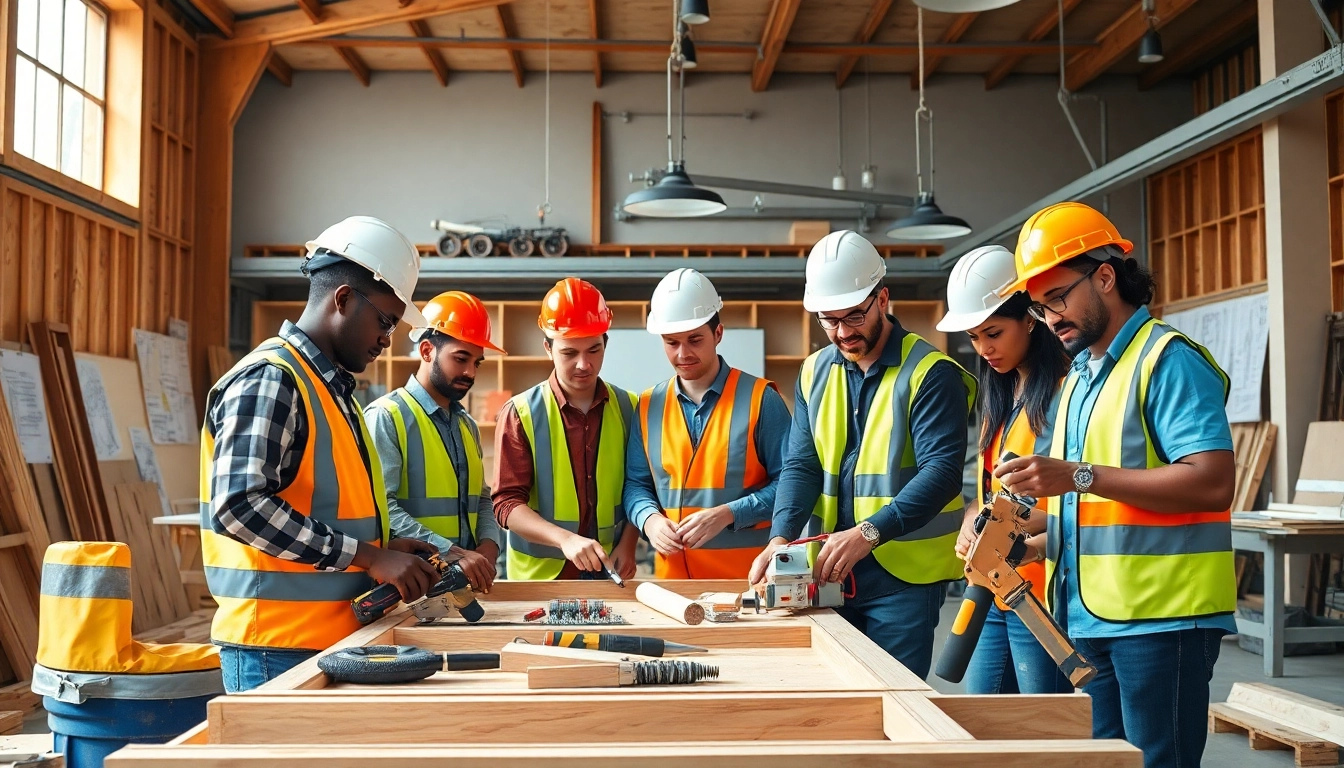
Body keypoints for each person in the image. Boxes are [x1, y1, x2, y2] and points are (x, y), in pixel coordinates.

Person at [993, 202, 1236, 768]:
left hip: (1163, 619)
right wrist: (1022, 538)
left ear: (1105, 276)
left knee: (1159, 761)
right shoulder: (1080, 378)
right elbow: (1102, 510)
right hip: (1087, 615)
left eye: (1058, 297)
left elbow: (1211, 482)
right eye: (1038, 305)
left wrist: (1075, 475)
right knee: (1105, 762)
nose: (1049, 317)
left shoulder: (1167, 361)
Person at [200, 216, 440, 693]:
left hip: (325, 642)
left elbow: (318, 502)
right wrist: (368, 556)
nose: (388, 338)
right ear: (344, 299)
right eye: (385, 320)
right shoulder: (272, 379)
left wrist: (382, 549)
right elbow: (239, 507)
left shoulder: (334, 392)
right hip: (274, 648)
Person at [750, 230, 976, 679]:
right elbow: (802, 465)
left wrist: (867, 533)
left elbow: (943, 473)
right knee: (835, 696)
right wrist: (779, 539)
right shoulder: (814, 371)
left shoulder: (931, 373)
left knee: (893, 698)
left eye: (854, 316)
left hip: (904, 579)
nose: (842, 333)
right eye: (828, 320)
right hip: (829, 568)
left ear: (883, 299)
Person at [938, 245, 1072, 695]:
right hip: (991, 587)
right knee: (981, 720)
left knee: (1041, 728)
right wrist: (970, 523)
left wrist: (1009, 530)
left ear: (1031, 319)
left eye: (993, 332)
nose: (984, 348)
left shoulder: (1065, 397)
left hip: (1039, 592)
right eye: (975, 337)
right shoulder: (998, 398)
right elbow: (988, 492)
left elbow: (1078, 499)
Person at [624, 269, 791, 579]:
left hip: (747, 585)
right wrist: (649, 520)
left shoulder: (762, 400)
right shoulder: (647, 406)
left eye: (694, 340)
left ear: (718, 334)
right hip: (675, 591)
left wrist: (729, 514)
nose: (682, 353)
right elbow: (636, 485)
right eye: (671, 342)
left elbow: (793, 487)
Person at [493, 278, 640, 580]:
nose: (583, 364)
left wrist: (629, 543)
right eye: (569, 353)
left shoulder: (629, 407)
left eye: (594, 350)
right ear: (548, 348)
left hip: (608, 569)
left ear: (605, 344)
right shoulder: (520, 413)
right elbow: (506, 504)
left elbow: (639, 487)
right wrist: (565, 539)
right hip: (539, 578)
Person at [365, 291, 504, 593]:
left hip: (463, 585)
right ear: (427, 351)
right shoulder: (387, 417)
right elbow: (380, 510)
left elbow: (481, 500)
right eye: (460, 358)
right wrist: (451, 552)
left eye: (477, 362)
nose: (470, 372)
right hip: (411, 589)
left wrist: (489, 547)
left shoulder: (467, 425)